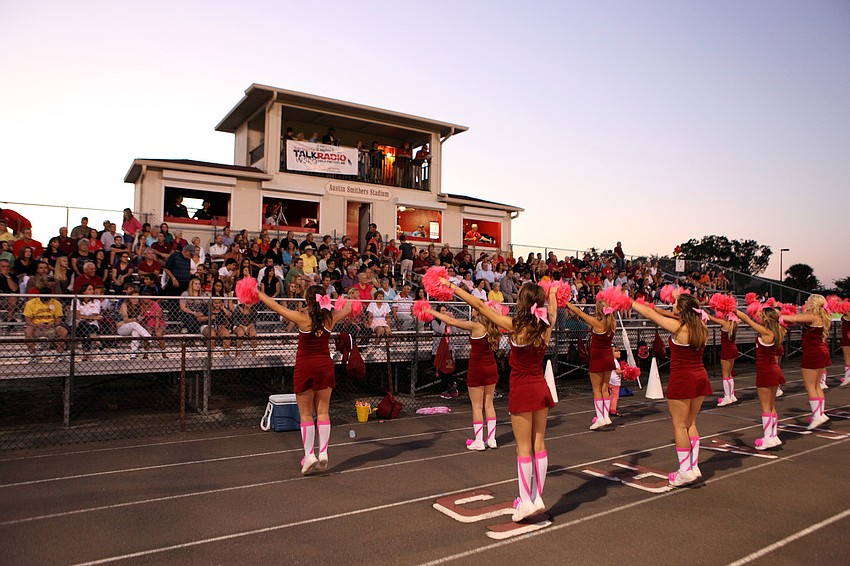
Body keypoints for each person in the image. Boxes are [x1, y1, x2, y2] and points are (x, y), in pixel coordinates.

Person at [444, 277, 556, 522]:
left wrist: (452, 287)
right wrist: (554, 292)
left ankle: (526, 501)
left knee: (523, 447)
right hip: (541, 387)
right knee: (539, 445)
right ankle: (537, 497)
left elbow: (481, 306)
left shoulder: (516, 326)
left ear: (523, 302)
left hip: (522, 388)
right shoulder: (546, 324)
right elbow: (554, 310)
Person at [255, 284, 352, 475]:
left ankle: (309, 455)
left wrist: (257, 293)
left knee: (306, 414)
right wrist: (346, 297)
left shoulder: (302, 318)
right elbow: (348, 308)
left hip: (305, 367)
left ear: (307, 301)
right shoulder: (330, 318)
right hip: (325, 365)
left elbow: (276, 307)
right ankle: (323, 452)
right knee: (323, 411)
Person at [632, 291, 711, 487]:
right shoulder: (701, 326)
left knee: (679, 425)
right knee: (691, 423)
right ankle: (693, 466)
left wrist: (628, 301)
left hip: (682, 379)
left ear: (681, 310)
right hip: (700, 377)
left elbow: (653, 316)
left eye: (675, 304)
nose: (672, 306)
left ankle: (685, 472)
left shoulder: (679, 327)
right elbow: (664, 313)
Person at [427, 303, 502, 449]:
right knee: (489, 404)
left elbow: (451, 322)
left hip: (477, 369)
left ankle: (479, 441)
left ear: (480, 313)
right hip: (491, 367)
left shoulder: (476, 326)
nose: (473, 309)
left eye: (475, 308)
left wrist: (429, 310)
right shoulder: (495, 327)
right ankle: (492, 439)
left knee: (477, 406)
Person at [734, 306, 786, 449]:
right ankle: (773, 436)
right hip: (773, 369)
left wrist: (733, 309)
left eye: (762, 316)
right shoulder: (779, 331)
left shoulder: (766, 332)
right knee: (771, 405)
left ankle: (768, 437)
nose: (760, 317)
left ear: (767, 318)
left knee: (765, 407)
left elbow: (746, 319)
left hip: (766, 371)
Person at [779, 294, 832, 429]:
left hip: (813, 352)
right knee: (817, 386)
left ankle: (817, 416)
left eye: (808, 300)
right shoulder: (819, 316)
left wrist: (774, 313)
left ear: (813, 304)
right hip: (821, 351)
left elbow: (790, 318)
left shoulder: (812, 316)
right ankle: (820, 413)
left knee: (810, 386)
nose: (805, 302)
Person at [564, 295, 617, 429]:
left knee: (596, 390)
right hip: (608, 359)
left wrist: (567, 304)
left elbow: (580, 313)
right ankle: (605, 417)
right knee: (605, 389)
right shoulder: (613, 323)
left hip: (598, 359)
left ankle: (600, 418)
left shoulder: (597, 323)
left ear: (598, 311)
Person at [705, 309, 740, 406]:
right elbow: (743, 318)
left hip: (727, 350)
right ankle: (731, 395)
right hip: (733, 349)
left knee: (725, 375)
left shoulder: (725, 323)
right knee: (729, 374)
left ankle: (727, 397)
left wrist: (703, 312)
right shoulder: (735, 323)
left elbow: (711, 318)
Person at [24, 287, 68, 362]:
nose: (45, 300)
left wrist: (53, 324)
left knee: (63, 331)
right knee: (28, 331)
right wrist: (36, 325)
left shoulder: (56, 303)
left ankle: (59, 356)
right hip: (36, 326)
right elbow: (27, 319)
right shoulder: (31, 303)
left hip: (52, 326)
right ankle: (33, 356)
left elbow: (59, 319)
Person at [118, 286, 153, 359]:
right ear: (129, 298)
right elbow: (125, 320)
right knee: (134, 324)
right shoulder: (124, 305)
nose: (136, 300)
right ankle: (148, 337)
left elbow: (140, 320)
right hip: (122, 328)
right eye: (133, 298)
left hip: (133, 327)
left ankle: (133, 355)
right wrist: (136, 319)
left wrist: (138, 319)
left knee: (135, 333)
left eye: (137, 298)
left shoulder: (139, 306)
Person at [73, 284, 102, 361]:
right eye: (89, 289)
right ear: (83, 291)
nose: (92, 291)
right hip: (78, 326)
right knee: (83, 324)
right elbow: (76, 315)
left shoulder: (96, 301)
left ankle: (85, 353)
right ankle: (95, 339)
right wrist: (90, 317)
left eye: (92, 289)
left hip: (92, 325)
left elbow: (94, 315)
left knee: (85, 327)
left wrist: (85, 317)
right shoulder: (76, 300)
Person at [608, 347, 624, 417]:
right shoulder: (615, 361)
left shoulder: (613, 360)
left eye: (619, 351)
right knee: (615, 397)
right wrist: (626, 370)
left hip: (611, 381)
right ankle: (613, 411)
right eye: (616, 351)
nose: (619, 352)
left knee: (611, 395)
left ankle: (609, 408)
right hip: (614, 381)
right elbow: (617, 371)